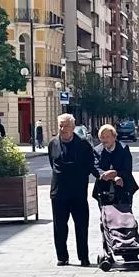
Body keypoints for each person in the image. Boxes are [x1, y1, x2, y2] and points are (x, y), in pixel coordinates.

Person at [48, 113, 96, 267]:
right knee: (59, 226)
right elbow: (52, 163)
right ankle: (62, 257)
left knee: (81, 225)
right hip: (58, 192)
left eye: (66, 126)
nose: (63, 129)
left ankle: (83, 257)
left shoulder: (83, 145)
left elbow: (90, 165)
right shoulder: (53, 143)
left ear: (73, 127)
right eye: (61, 125)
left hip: (78, 193)